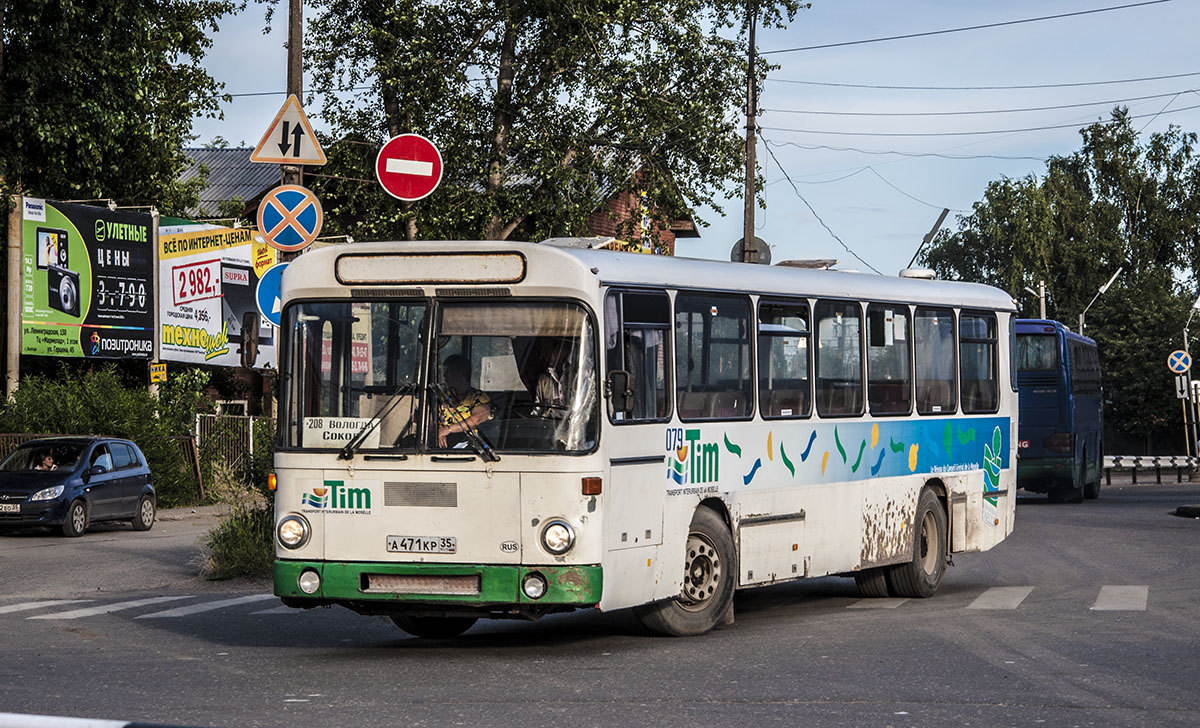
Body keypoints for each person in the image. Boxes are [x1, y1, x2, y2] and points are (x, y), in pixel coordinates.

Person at [437, 354, 492, 447]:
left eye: (449, 371)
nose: (444, 375)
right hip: (441, 447)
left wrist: (447, 430)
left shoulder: (479, 397)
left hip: (471, 449)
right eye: (444, 371)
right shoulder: (441, 397)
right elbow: (430, 420)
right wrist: (438, 434)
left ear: (462, 373)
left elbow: (475, 420)